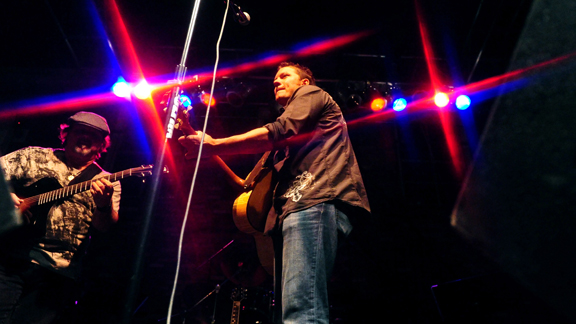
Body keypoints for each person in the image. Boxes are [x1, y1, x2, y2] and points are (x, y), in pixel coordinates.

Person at [178, 62, 371, 323]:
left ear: (304, 83)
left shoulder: (312, 94)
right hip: (293, 211)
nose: (276, 81)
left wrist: (215, 144)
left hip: (313, 201)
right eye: (274, 79)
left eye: (285, 76)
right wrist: (201, 142)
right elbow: (247, 185)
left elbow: (278, 131)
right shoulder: (282, 146)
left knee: (302, 309)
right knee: (288, 312)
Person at [0, 111, 121, 324]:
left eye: (93, 135)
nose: (85, 137)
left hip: (56, 274)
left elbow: (104, 227)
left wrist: (103, 205)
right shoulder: (33, 156)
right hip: (9, 259)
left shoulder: (107, 181)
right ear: (65, 134)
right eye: (80, 131)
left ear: (102, 145)